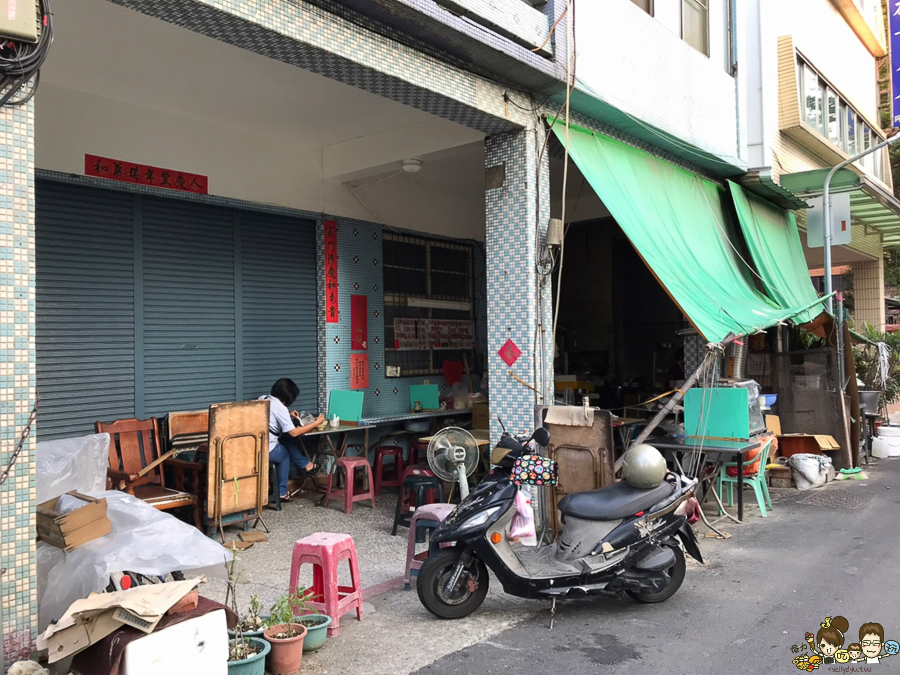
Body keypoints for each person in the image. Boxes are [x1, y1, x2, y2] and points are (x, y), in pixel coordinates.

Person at [261, 378, 324, 502]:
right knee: (284, 455)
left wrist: (288, 415)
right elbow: (294, 432)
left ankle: (307, 465)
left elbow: (271, 417)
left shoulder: (262, 398)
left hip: (255, 445)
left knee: (285, 438)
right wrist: (316, 423)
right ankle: (282, 493)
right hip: (266, 450)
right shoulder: (280, 408)